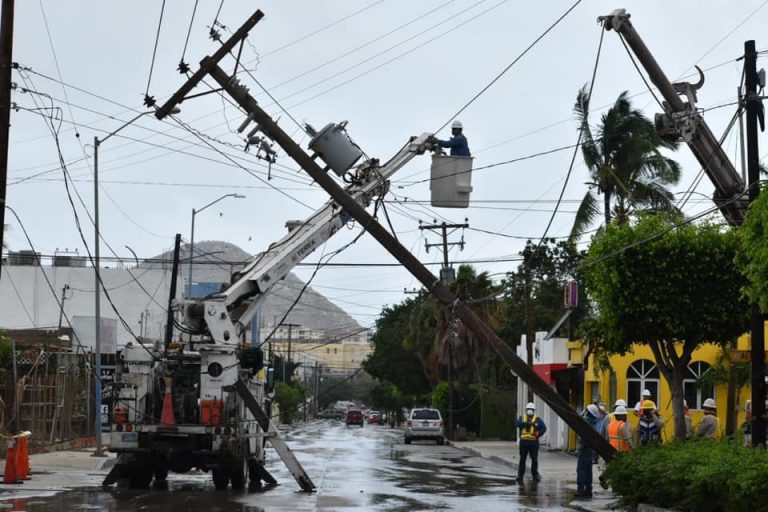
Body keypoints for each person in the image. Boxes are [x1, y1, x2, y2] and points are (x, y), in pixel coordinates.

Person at [516, 402, 546, 483]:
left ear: (534, 410)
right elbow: (518, 424)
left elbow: (543, 428)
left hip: (533, 443)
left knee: (534, 459)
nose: (530, 411)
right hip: (524, 442)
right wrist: (527, 423)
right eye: (529, 409)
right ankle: (520, 475)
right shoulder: (522, 418)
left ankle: (535, 475)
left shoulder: (537, 420)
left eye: (531, 409)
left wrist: (538, 433)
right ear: (526, 410)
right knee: (522, 459)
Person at [576, 404, 599, 498]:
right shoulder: (593, 423)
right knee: (588, 470)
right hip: (590, 449)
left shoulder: (586, 422)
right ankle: (588, 490)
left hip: (584, 449)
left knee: (581, 470)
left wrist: (580, 447)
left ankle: (581, 490)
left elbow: (582, 437)